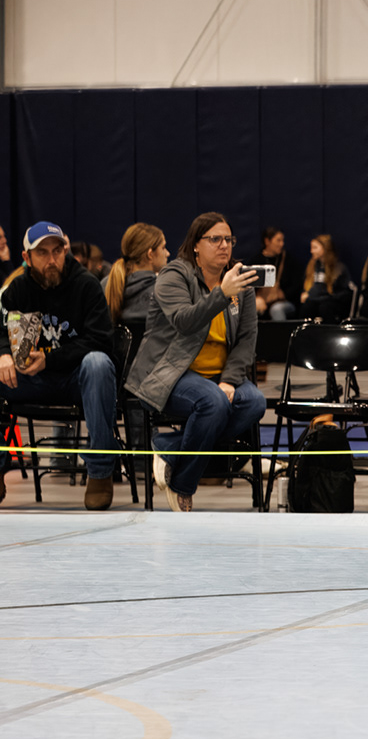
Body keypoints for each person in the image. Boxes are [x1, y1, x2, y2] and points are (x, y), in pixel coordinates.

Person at [125, 212, 267, 513]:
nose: (224, 245)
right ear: (195, 246)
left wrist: (229, 380)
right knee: (213, 403)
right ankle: (183, 486)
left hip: (218, 377)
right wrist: (221, 294)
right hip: (170, 375)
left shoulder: (240, 282)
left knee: (254, 402)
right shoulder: (174, 275)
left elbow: (246, 340)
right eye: (215, 239)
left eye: (228, 239)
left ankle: (169, 448)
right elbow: (184, 321)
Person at [0, 221, 119, 509]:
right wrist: (3, 353)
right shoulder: (18, 288)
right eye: (42, 253)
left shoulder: (86, 285)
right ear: (27, 257)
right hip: (32, 379)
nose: (52, 259)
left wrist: (49, 360)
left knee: (99, 363)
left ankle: (100, 472)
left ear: (65, 251)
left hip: (76, 379)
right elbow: (1, 329)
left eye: (57, 251)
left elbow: (101, 341)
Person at [104, 222, 167, 325]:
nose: (167, 253)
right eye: (163, 248)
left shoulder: (106, 284)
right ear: (150, 254)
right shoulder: (162, 291)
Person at [298, 234, 353, 322]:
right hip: (315, 300)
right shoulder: (312, 266)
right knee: (307, 306)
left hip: (332, 302)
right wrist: (306, 294)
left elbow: (343, 294)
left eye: (315, 248)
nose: (311, 251)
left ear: (325, 248)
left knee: (325, 307)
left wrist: (312, 295)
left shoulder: (338, 268)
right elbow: (309, 286)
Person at [253, 226, 295, 320]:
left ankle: (280, 330)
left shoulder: (287, 260)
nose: (281, 244)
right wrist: (255, 298)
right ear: (267, 241)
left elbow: (296, 285)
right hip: (261, 300)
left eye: (282, 240)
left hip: (284, 302)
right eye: (278, 240)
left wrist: (283, 294)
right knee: (250, 307)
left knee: (276, 309)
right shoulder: (256, 261)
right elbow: (248, 286)